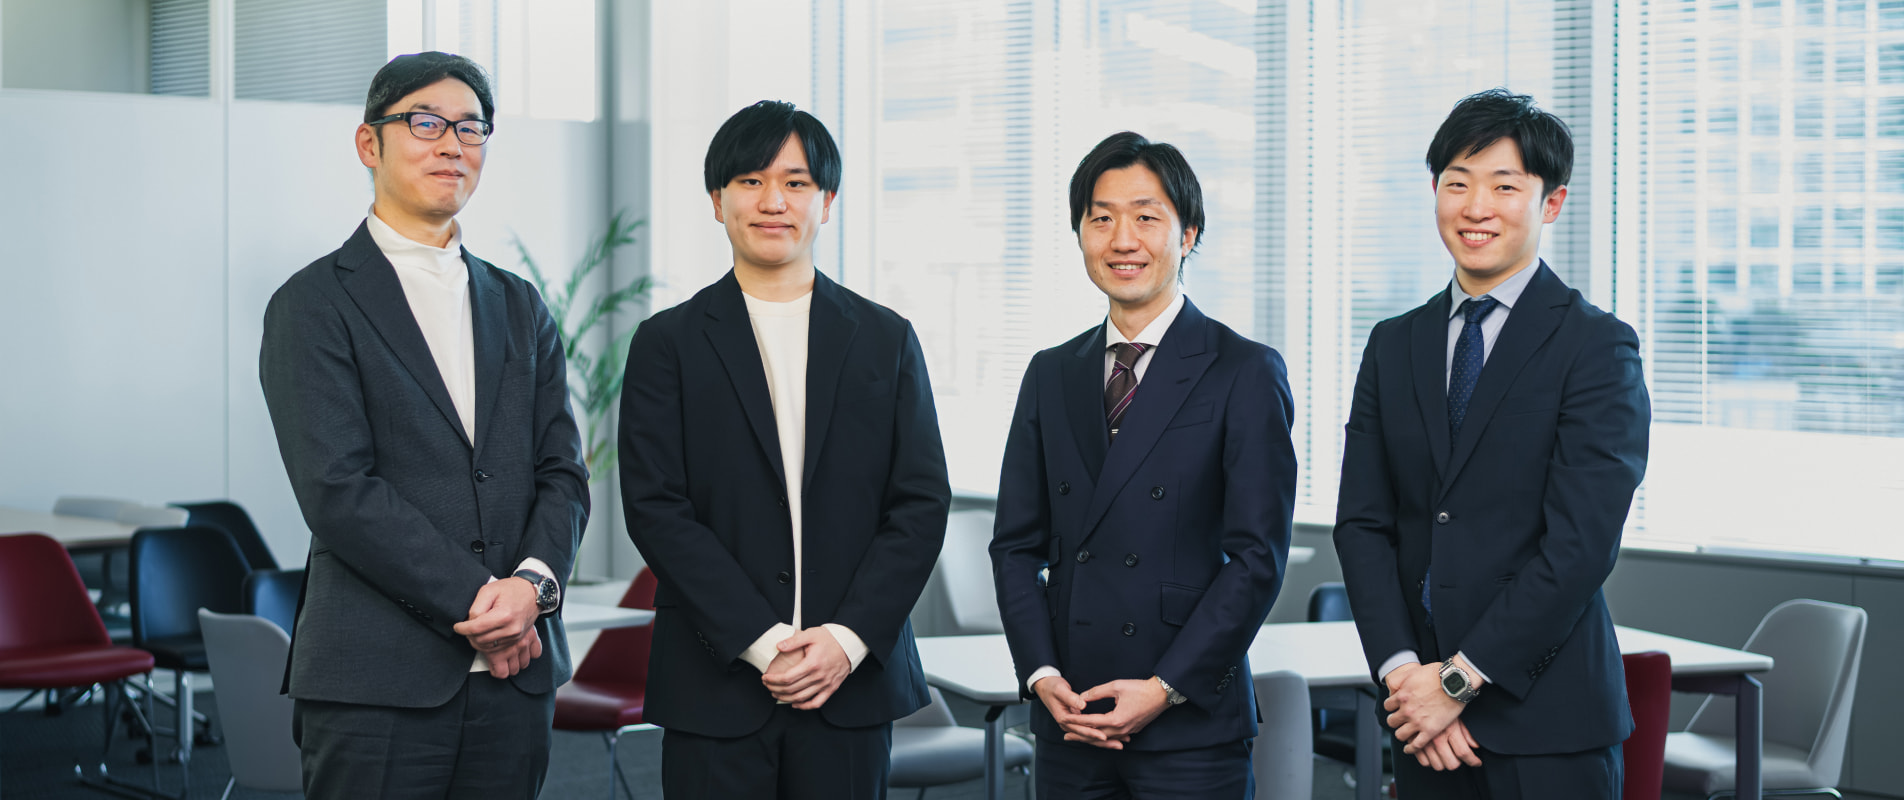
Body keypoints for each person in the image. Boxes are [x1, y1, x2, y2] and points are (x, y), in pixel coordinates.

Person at [259, 51, 588, 799]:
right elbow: (338, 490)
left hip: (517, 677)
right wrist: (484, 602)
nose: (452, 145)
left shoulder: (519, 304)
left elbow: (563, 471)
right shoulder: (312, 303)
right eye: (426, 123)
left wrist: (532, 588)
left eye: (471, 128)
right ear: (369, 144)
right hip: (377, 681)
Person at [618, 99, 950, 799]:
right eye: (751, 181)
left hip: (850, 684)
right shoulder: (667, 343)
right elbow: (656, 508)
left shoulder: (886, 339)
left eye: (796, 183)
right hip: (714, 682)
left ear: (826, 202)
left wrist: (847, 639)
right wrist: (763, 641)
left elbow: (920, 504)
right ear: (718, 201)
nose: (774, 202)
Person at [1332, 88, 1651, 799]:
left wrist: (1458, 681)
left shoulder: (1596, 347)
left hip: (1547, 725)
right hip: (1421, 725)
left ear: (1551, 203)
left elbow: (1580, 547)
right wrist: (1405, 677)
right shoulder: (1393, 344)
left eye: (1505, 186)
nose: (1477, 207)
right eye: (1457, 183)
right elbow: (1362, 525)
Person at [990, 131, 1297, 799]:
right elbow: (1015, 546)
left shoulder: (1243, 370)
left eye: (1146, 217)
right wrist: (1041, 675)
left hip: (1188, 726)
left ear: (1188, 235)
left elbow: (1256, 559)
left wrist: (1165, 687)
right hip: (1072, 719)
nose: (1122, 240)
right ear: (1080, 234)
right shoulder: (1051, 373)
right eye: (1101, 218)